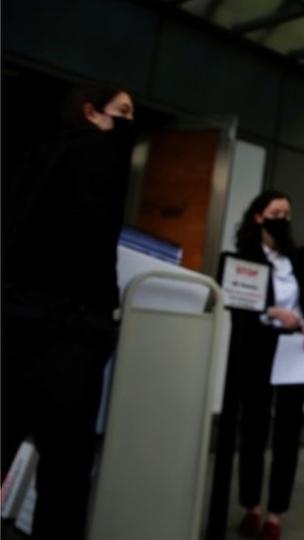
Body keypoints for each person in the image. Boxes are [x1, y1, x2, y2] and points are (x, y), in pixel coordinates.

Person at [1, 82, 136, 539]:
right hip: (70, 340)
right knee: (63, 484)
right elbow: (91, 252)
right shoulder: (101, 160)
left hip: (14, 326)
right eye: (121, 112)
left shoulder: (32, 158)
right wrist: (103, 324)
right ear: (90, 112)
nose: (127, 125)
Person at [228, 190, 304, 540]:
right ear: (259, 217)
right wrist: (272, 312)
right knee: (254, 429)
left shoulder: (300, 258)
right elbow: (237, 303)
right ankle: (251, 506)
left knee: (288, 434)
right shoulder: (243, 258)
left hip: (296, 354)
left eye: (288, 213)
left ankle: (275, 513)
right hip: (259, 351)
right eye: (276, 212)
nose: (283, 219)